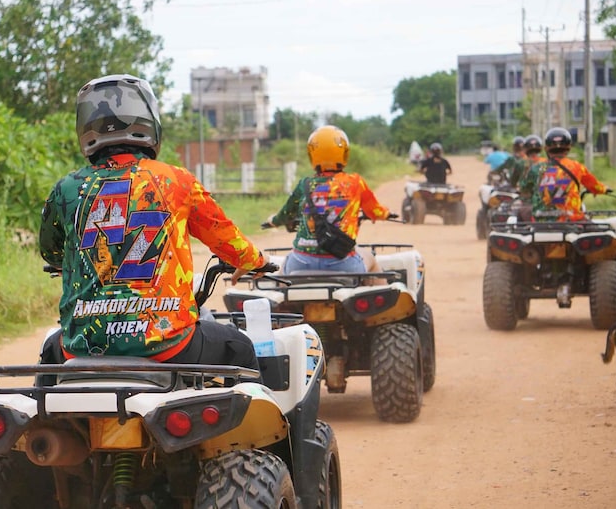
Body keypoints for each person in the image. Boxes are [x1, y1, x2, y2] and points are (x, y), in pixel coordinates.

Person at [39, 74, 269, 371]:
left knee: (49, 356)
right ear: (149, 121)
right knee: (240, 348)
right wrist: (256, 260)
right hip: (168, 346)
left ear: (84, 128)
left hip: (84, 349)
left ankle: (48, 418)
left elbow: (51, 252)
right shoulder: (176, 180)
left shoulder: (66, 189)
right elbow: (227, 239)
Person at [262, 125, 396, 277]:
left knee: (283, 274)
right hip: (343, 264)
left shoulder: (304, 185)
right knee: (370, 259)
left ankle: (282, 298)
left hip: (301, 262)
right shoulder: (355, 183)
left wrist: (273, 221)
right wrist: (385, 214)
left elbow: (285, 215)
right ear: (344, 153)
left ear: (312, 155)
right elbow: (375, 211)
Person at [520, 127, 611, 222]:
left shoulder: (540, 168)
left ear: (546, 148)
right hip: (571, 219)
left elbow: (525, 189)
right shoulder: (576, 167)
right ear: (569, 147)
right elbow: (594, 186)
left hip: (541, 221)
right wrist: (604, 189)